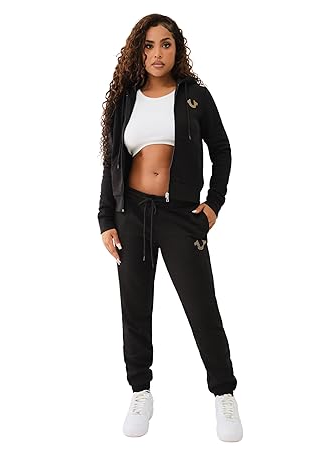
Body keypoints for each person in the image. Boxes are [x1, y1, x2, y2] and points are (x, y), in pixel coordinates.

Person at [97, 14, 243, 442]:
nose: (157, 53)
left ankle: (224, 393)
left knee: (201, 306)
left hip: (181, 216)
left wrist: (213, 205)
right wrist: (106, 218)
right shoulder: (126, 99)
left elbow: (222, 150)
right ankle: (140, 391)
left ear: (177, 50)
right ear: (137, 52)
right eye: (148, 45)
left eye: (165, 44)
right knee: (135, 308)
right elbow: (112, 162)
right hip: (131, 214)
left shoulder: (194, 96)